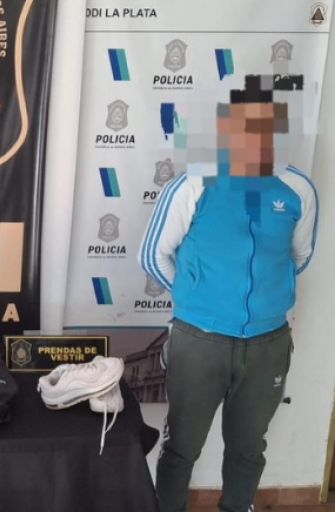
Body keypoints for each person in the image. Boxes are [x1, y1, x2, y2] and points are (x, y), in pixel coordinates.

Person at [139, 75, 318, 512]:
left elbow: (299, 257)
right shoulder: (193, 184)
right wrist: (198, 296)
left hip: (267, 345)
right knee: (181, 449)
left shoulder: (297, 189)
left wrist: (261, 303)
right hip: (199, 342)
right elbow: (153, 256)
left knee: (248, 450)